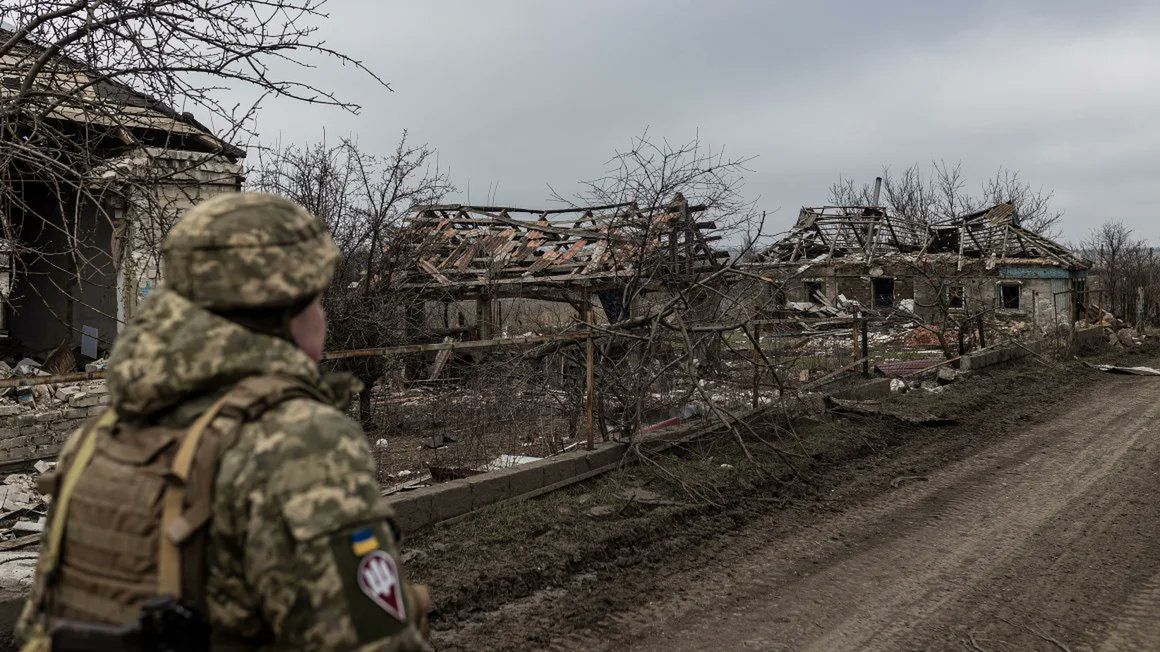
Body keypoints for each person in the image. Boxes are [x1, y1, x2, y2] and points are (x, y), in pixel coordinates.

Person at [17, 192, 431, 651]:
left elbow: (39, 628)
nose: (324, 316)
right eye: (316, 298)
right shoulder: (295, 441)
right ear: (281, 309)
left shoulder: (101, 436)